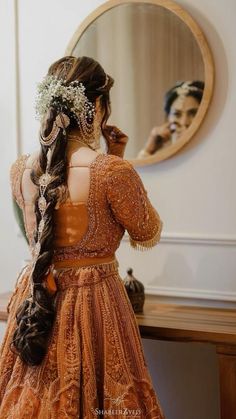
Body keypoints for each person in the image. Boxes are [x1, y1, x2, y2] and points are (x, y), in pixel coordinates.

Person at [0, 56, 164, 418]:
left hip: (36, 295)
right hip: (93, 302)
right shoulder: (110, 171)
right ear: (98, 107)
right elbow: (147, 229)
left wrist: (114, 160)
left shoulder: (21, 169)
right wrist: (117, 161)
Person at [137, 80, 204, 158]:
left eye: (193, 113)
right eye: (177, 114)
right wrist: (148, 150)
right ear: (168, 119)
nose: (184, 122)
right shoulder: (165, 164)